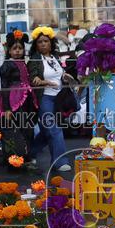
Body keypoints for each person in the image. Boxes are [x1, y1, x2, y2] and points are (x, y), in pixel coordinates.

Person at [28, 26, 76, 172]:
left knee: (46, 131)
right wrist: (44, 82)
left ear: (51, 43)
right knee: (54, 130)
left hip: (59, 99)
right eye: (40, 42)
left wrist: (65, 76)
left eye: (46, 41)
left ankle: (29, 154)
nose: (43, 44)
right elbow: (33, 79)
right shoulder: (34, 59)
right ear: (36, 45)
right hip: (45, 99)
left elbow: (57, 74)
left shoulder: (54, 57)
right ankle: (60, 161)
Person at [0, 31, 37, 168]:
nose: (18, 51)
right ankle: (13, 158)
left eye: (20, 48)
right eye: (15, 48)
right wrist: (7, 108)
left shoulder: (22, 63)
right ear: (9, 50)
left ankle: (24, 156)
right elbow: (4, 87)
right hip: (13, 100)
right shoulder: (7, 65)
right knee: (13, 130)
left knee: (26, 128)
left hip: (25, 99)